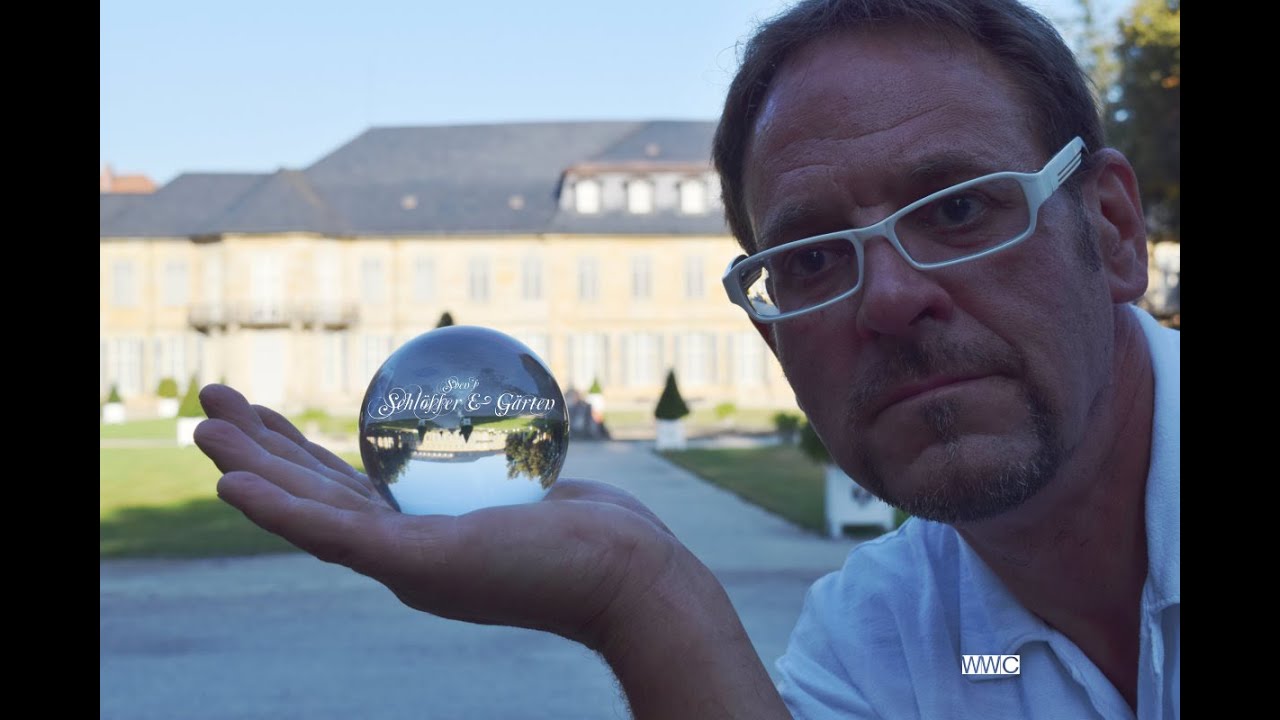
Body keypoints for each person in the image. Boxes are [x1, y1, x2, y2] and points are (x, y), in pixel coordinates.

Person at [196, 0, 1178, 717]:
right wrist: (640, 595)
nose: (886, 298)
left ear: (1114, 231)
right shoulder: (882, 643)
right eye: (808, 259)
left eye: (958, 209)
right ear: (771, 334)